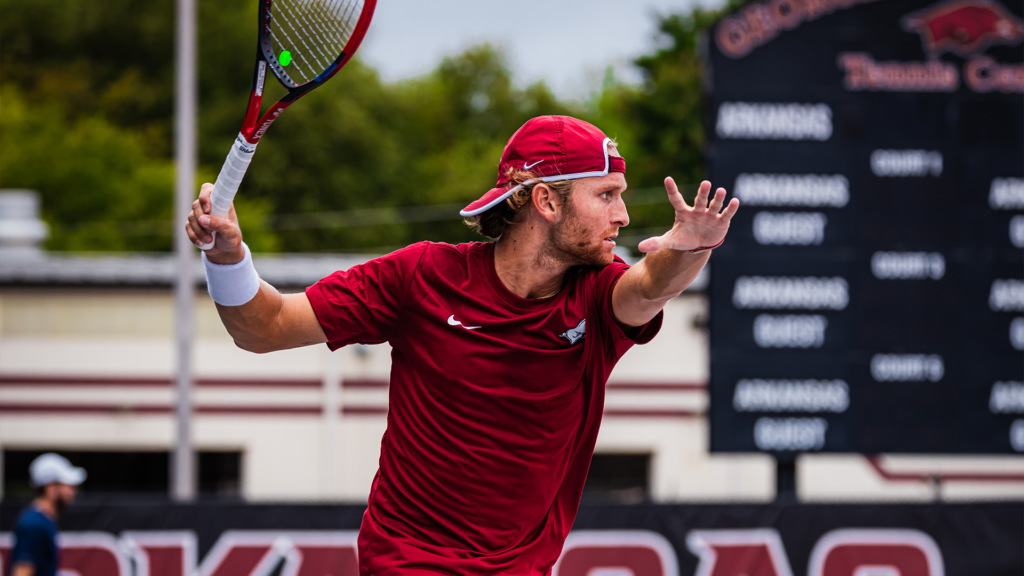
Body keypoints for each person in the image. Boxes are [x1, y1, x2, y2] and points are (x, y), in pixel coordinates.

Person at [185, 115, 739, 574]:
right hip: (408, 563)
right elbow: (263, 327)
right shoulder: (420, 274)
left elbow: (650, 285)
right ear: (545, 201)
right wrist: (226, 256)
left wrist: (691, 247)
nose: (622, 214)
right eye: (607, 194)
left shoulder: (598, 297)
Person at [7, 453, 86, 576]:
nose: (73, 492)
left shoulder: (42, 521)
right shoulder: (35, 524)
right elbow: (21, 572)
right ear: (51, 488)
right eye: (68, 486)